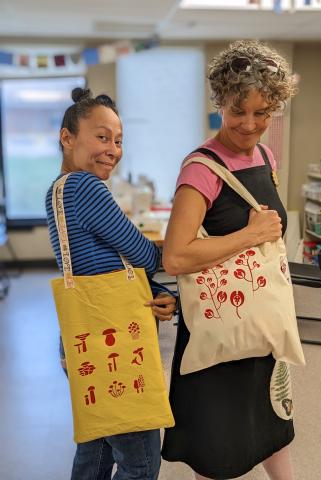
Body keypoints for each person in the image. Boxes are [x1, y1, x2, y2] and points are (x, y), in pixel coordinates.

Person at [161, 40, 298, 480]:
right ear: (221, 102)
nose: (251, 124)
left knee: (269, 423)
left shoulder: (264, 156)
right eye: (240, 111)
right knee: (218, 447)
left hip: (260, 320)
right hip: (219, 330)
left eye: (263, 113)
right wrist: (249, 234)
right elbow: (177, 256)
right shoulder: (200, 169)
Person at [46, 87, 176, 480]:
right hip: (115, 343)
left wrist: (157, 291)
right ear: (67, 138)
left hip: (85, 341)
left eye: (118, 141)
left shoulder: (56, 190)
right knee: (141, 463)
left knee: (96, 453)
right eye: (102, 137)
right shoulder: (86, 187)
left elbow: (98, 265)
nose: (113, 149)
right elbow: (146, 254)